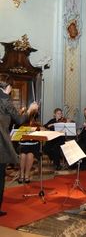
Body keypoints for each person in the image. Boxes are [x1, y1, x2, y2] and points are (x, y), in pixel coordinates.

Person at [0, 74, 38, 216]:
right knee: (0, 178)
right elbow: (20, 119)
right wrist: (30, 109)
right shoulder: (5, 99)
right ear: (8, 87)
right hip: (1, 143)